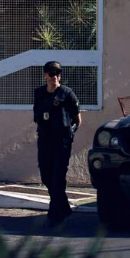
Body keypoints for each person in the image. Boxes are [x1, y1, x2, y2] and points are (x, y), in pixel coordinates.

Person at [33, 61, 82, 227]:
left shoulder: (67, 93)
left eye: (57, 74)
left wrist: (70, 135)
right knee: (46, 176)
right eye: (51, 73)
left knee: (58, 176)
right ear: (45, 75)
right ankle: (64, 207)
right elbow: (37, 116)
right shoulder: (39, 93)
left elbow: (77, 119)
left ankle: (54, 214)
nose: (54, 77)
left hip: (61, 141)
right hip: (45, 139)